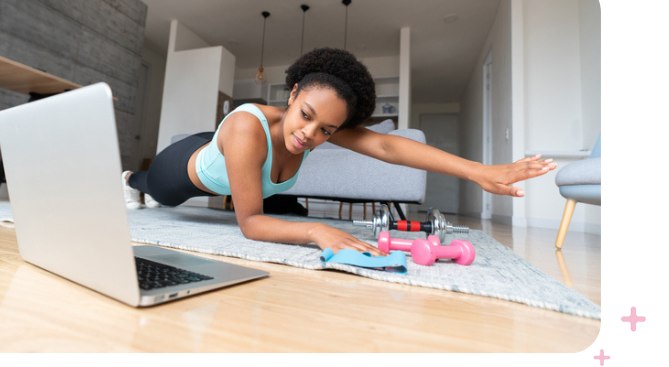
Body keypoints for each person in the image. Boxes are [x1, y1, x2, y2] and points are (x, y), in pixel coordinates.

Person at [123, 47, 556, 256]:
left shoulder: (319, 128)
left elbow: (386, 145)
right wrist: (317, 231)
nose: (309, 135)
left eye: (326, 129)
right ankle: (128, 180)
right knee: (155, 192)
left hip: (220, 146)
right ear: (293, 93)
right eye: (306, 114)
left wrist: (479, 172)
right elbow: (251, 223)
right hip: (181, 168)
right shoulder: (247, 129)